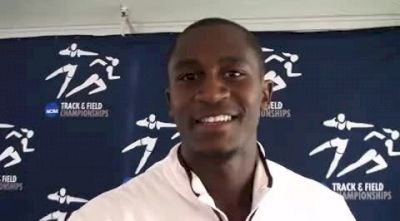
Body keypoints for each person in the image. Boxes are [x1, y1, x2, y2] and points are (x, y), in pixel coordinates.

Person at [69, 17, 355, 221]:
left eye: (233, 74)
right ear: (170, 102)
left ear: (266, 95)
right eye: (189, 77)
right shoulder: (104, 216)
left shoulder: (324, 210)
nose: (211, 93)